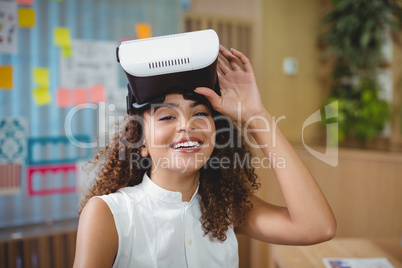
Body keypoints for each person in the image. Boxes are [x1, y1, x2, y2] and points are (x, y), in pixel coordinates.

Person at [73, 44, 336, 268]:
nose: (187, 125)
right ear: (141, 141)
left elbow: (317, 227)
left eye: (199, 113)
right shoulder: (110, 215)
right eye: (166, 116)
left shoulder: (225, 207)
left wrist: (256, 115)